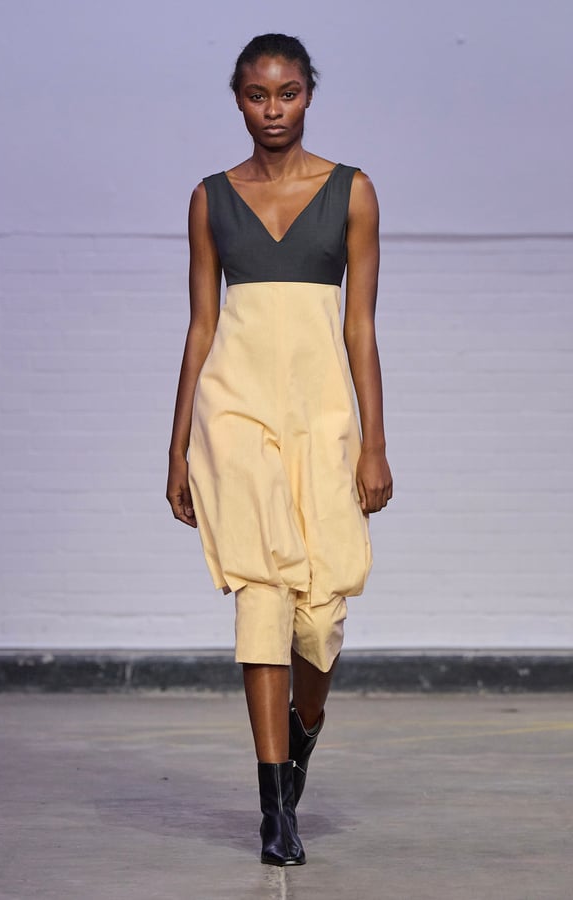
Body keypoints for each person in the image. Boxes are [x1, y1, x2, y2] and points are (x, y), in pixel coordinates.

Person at [166, 33, 392, 866]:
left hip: (322, 417)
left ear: (308, 96)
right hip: (234, 413)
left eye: (287, 93)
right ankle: (274, 811)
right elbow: (202, 326)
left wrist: (374, 443)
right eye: (258, 95)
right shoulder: (210, 199)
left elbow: (361, 327)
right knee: (261, 594)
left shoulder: (351, 191)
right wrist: (177, 444)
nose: (273, 110)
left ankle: (299, 743)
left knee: (321, 612)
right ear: (238, 99)